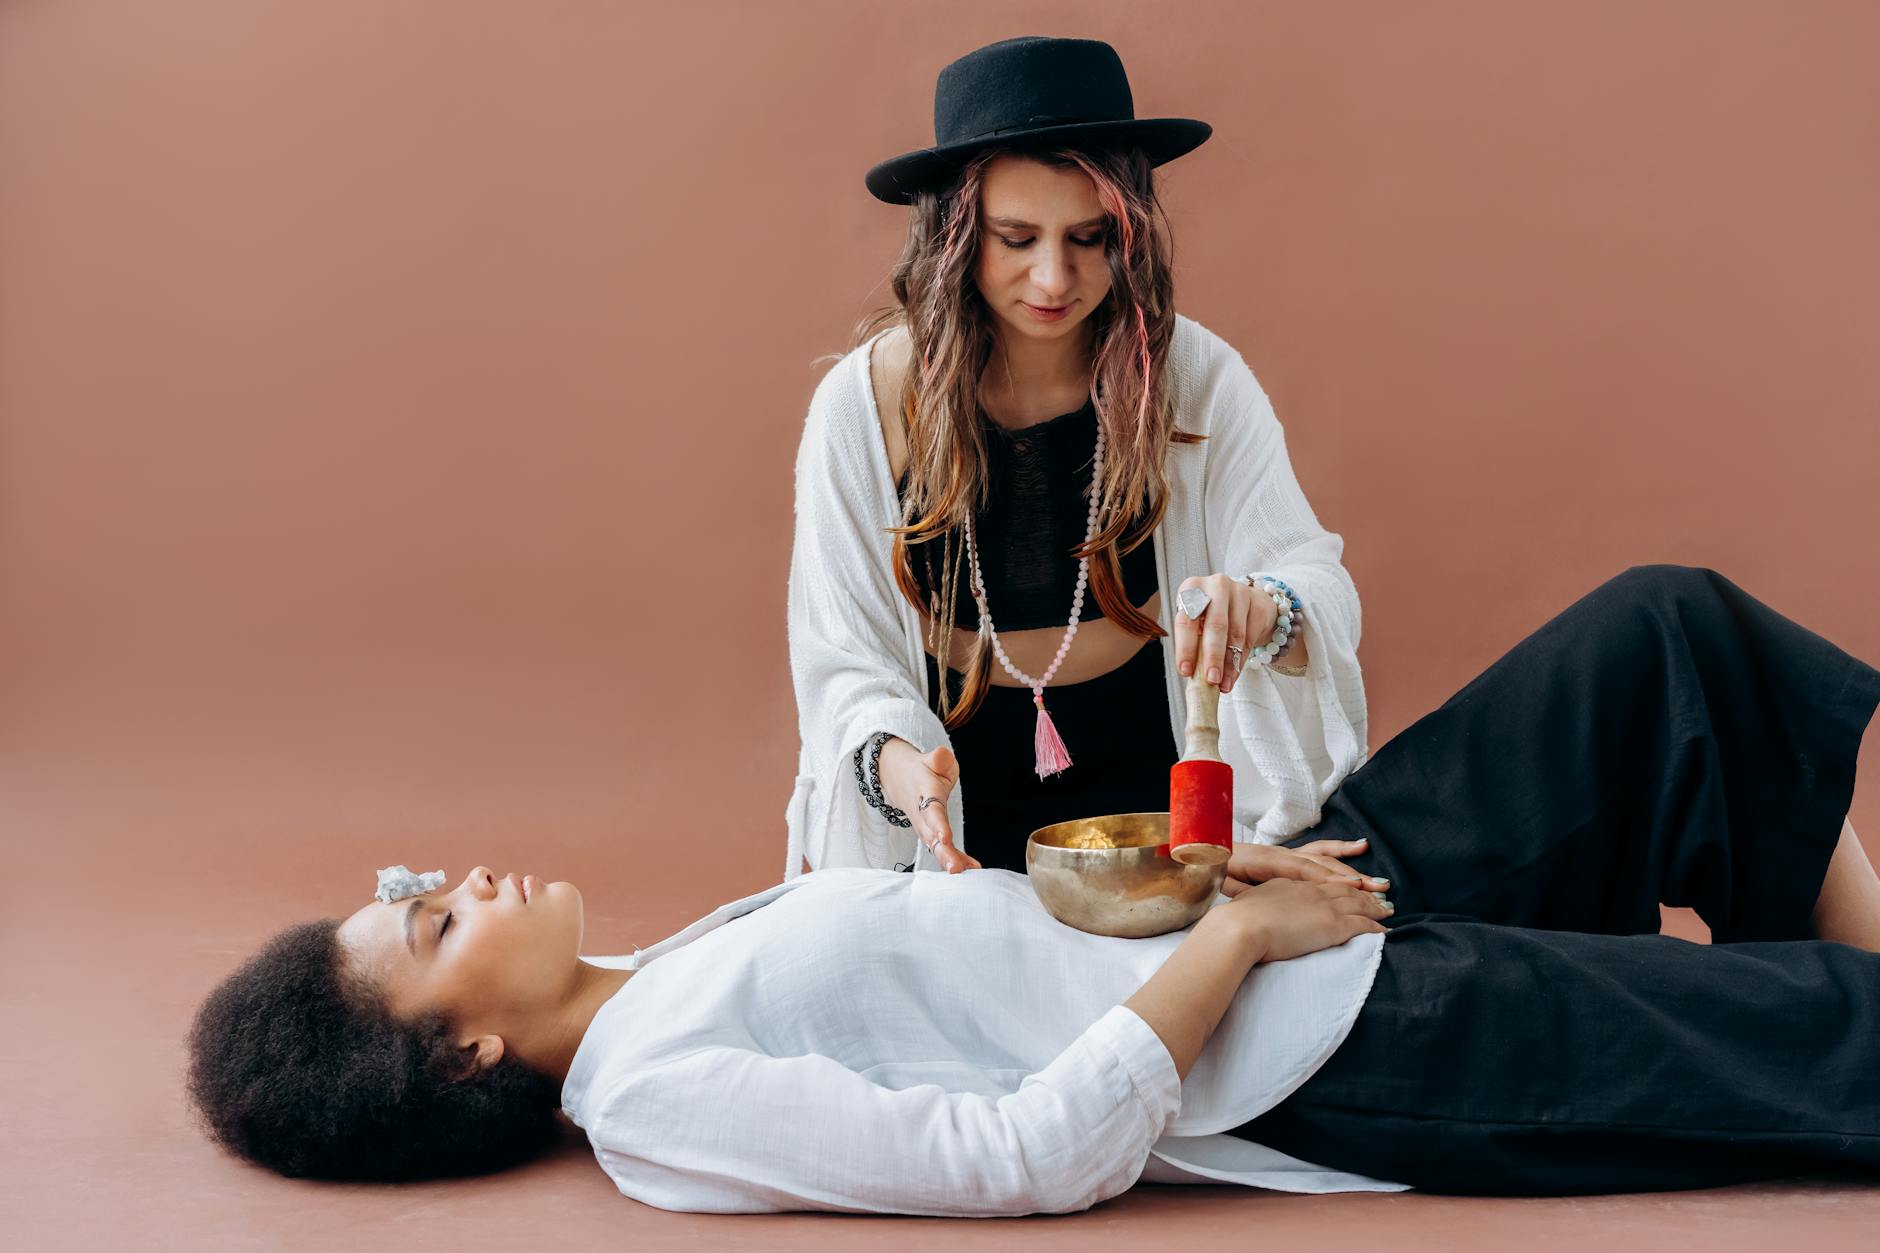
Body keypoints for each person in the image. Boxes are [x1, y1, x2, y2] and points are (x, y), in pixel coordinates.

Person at [188, 566, 1880, 1213]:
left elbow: (992, 951)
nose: (460, 876)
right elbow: (1016, 1156)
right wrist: (1237, 938)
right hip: (1343, 1042)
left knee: (1667, 644)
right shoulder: (662, 1096)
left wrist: (1211, 869)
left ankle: (1786, 978)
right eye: (429, 919)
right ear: (464, 1051)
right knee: (1828, 1044)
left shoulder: (663, 969)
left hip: (1272, 904)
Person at [785, 36, 1367, 878]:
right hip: (954, 818)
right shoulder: (864, 407)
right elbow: (844, 666)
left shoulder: (1193, 379)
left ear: (1126, 234)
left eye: (1089, 238)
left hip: (1165, 810)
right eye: (1016, 238)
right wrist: (899, 773)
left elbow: (1312, 577)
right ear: (956, 236)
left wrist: (1268, 609)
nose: (1054, 278)